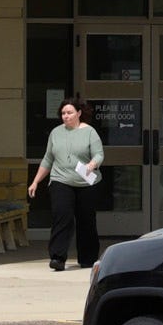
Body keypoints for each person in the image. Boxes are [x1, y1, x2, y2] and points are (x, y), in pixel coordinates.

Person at [28, 97, 105, 271]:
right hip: (60, 179)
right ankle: (57, 257)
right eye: (63, 113)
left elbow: (99, 154)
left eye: (69, 112)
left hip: (86, 182)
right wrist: (35, 181)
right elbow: (48, 159)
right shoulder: (56, 133)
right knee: (62, 216)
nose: (66, 116)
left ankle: (88, 258)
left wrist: (91, 165)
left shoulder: (90, 132)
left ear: (78, 113)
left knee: (86, 220)